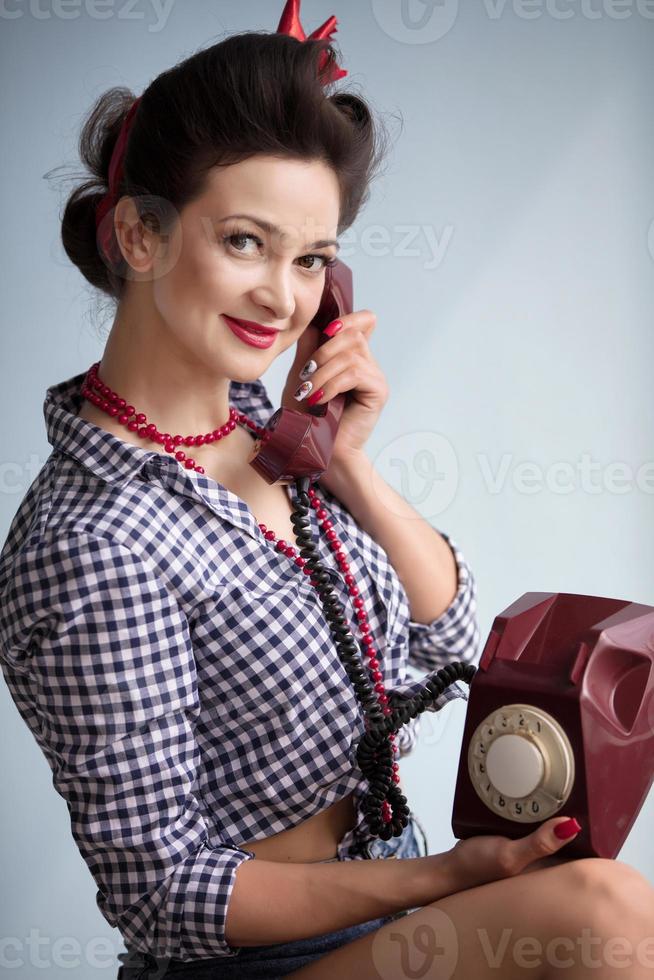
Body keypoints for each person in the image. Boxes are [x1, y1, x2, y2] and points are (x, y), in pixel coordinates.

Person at [1, 4, 653, 979]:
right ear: (139, 234)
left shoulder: (267, 427)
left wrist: (350, 464)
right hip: (254, 962)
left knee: (601, 893)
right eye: (245, 242)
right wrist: (437, 876)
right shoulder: (91, 538)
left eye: (310, 257)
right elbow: (164, 886)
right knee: (602, 917)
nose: (282, 296)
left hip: (389, 901)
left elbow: (451, 634)